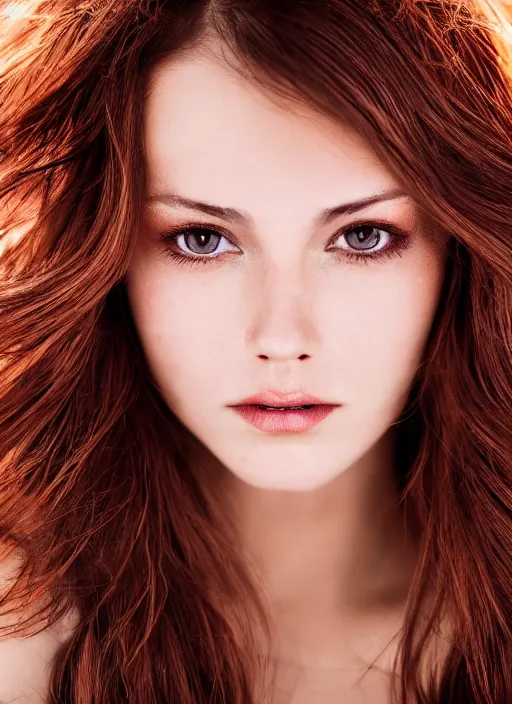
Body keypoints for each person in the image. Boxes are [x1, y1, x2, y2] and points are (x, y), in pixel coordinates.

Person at [0, 0, 510, 702]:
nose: (281, 338)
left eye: (362, 237)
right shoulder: (21, 639)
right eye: (201, 240)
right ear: (105, 256)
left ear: (460, 252)